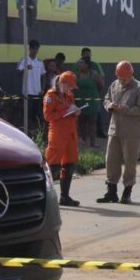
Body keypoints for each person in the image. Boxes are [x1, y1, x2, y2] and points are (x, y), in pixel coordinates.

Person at [97, 61, 140, 205]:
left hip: (131, 133)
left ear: (131, 75)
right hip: (114, 130)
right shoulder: (114, 85)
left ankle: (127, 192)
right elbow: (106, 98)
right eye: (119, 78)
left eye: (124, 78)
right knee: (111, 161)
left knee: (129, 163)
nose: (121, 81)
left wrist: (126, 109)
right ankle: (111, 191)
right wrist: (109, 106)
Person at [43, 71, 81, 207]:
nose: (71, 89)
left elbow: (72, 113)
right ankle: (45, 198)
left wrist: (76, 112)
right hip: (57, 133)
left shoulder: (69, 95)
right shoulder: (50, 95)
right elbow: (48, 116)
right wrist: (65, 112)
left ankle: (65, 196)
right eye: (69, 86)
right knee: (53, 166)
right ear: (62, 84)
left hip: (70, 133)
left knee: (69, 165)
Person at [16, 39, 45, 134]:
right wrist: (25, 68)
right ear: (30, 49)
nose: (35, 51)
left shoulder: (40, 62)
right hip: (27, 92)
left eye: (37, 49)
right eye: (34, 49)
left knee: (35, 114)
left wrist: (42, 89)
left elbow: (43, 76)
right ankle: (26, 132)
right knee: (26, 114)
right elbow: (17, 73)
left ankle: (34, 133)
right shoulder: (24, 60)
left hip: (37, 92)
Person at [74, 58, 104, 148]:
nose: (79, 65)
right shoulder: (77, 74)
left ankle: (93, 143)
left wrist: (94, 95)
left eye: (82, 63)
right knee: (82, 122)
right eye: (79, 63)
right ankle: (84, 141)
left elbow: (101, 86)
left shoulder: (94, 74)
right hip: (81, 101)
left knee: (92, 122)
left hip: (92, 101)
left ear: (87, 65)